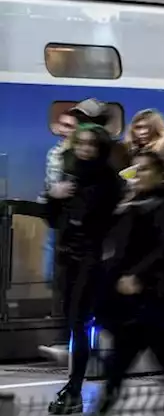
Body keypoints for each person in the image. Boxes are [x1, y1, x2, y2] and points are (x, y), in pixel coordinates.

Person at [62, 151, 164, 416]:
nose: (139, 175)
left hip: (160, 301)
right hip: (136, 305)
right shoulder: (136, 203)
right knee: (119, 368)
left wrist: (138, 275)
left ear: (162, 174)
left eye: (146, 170)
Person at [45, 125, 124, 415]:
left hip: (94, 261)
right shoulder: (70, 175)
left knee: (81, 323)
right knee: (74, 322)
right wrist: (54, 196)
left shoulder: (109, 181)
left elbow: (112, 224)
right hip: (68, 258)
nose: (85, 149)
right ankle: (82, 383)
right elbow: (53, 220)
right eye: (81, 143)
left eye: (92, 144)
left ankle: (76, 386)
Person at [41, 108, 77, 288]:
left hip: (72, 215)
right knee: (51, 249)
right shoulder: (54, 152)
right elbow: (50, 183)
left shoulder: (78, 154)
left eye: (68, 126)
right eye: (62, 124)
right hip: (56, 212)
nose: (63, 130)